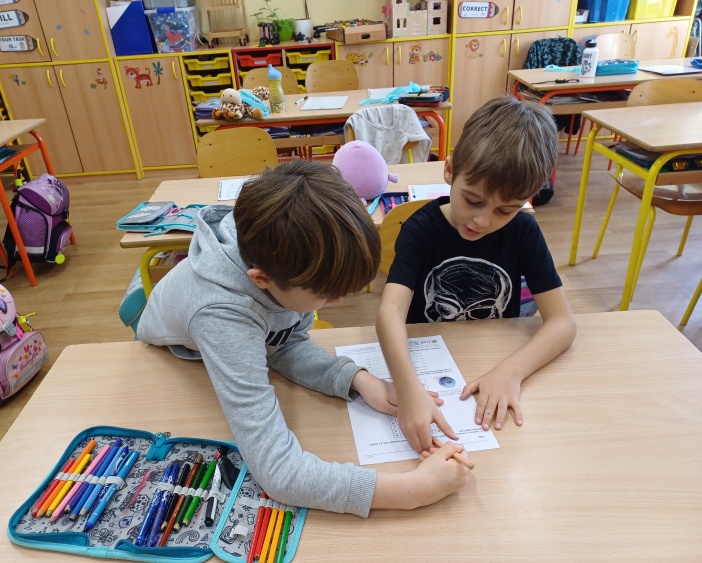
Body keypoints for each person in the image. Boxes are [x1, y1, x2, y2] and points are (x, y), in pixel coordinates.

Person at [137, 160, 470, 517]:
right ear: (262, 279)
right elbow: (279, 473)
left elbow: (283, 342)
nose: (336, 303)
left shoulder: (281, 259)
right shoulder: (224, 316)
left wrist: (358, 380)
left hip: (221, 334)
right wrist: (411, 490)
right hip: (166, 360)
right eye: (326, 296)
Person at [376, 96, 577, 454]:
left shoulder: (524, 232)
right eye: (473, 200)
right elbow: (390, 311)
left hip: (493, 365)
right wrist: (407, 389)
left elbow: (563, 323)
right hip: (430, 369)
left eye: (505, 210)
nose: (482, 220)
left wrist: (512, 371)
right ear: (449, 170)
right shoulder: (419, 230)